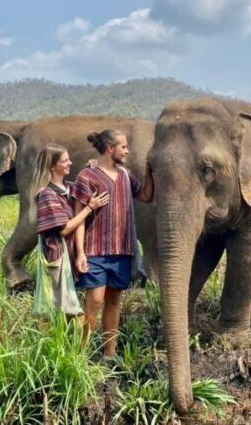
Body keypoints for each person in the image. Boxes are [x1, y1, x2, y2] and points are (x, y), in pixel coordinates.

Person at [71, 129, 154, 356]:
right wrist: (79, 253)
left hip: (122, 250)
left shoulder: (126, 176)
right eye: (123, 147)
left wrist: (150, 170)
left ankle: (110, 353)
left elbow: (146, 196)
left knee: (113, 301)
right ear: (110, 148)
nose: (127, 151)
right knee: (95, 301)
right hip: (94, 250)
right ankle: (80, 354)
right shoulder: (86, 177)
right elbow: (78, 218)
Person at [31, 143, 110, 317]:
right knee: (61, 310)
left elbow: (83, 190)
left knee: (69, 308)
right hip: (58, 257)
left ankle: (68, 343)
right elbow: (64, 230)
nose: (70, 163)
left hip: (71, 255)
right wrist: (89, 208)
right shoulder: (47, 194)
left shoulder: (69, 188)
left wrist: (93, 171)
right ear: (52, 166)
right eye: (65, 161)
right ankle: (61, 344)